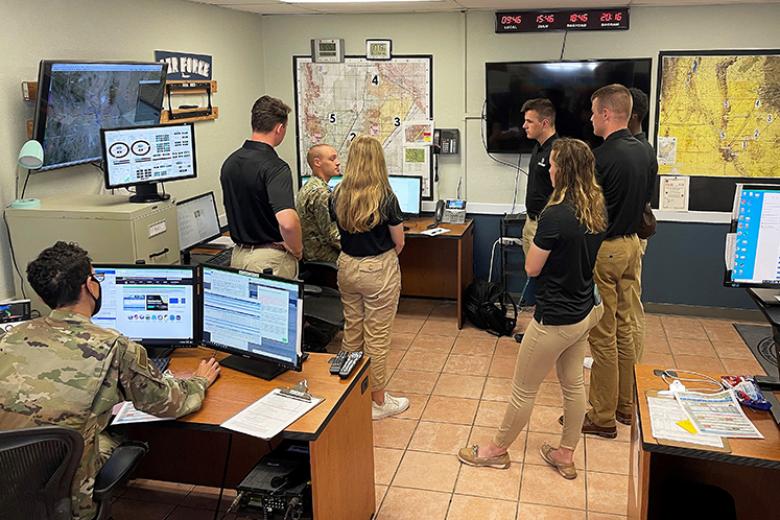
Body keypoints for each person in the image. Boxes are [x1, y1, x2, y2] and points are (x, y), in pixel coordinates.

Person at [0, 241, 220, 520]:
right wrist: (199, 381)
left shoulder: (10, 337)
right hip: (68, 499)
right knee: (114, 432)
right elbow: (169, 404)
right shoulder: (114, 346)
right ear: (88, 286)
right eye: (96, 278)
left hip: (10, 487)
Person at [457, 138, 606, 479]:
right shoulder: (596, 207)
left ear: (564, 171)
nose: (549, 169)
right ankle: (565, 455)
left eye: (553, 164)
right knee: (573, 386)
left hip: (553, 319)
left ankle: (495, 450)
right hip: (582, 313)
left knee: (524, 390)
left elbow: (532, 268)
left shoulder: (556, 215)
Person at [582, 84, 651, 437]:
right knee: (625, 327)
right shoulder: (645, 152)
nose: (591, 119)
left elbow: (590, 212)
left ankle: (602, 416)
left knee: (602, 335)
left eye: (594, 113)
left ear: (607, 114)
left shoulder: (600, 158)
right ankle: (626, 405)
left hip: (605, 250)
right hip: (632, 247)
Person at [331, 135, 408, 420]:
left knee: (352, 331)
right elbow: (398, 241)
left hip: (347, 266)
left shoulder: (337, 193)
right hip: (378, 268)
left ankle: (348, 396)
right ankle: (377, 402)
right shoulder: (386, 197)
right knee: (377, 335)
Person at [221, 95, 303, 279]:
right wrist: (297, 249)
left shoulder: (230, 162)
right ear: (280, 128)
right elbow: (288, 222)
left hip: (238, 257)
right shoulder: (276, 167)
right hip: (269, 261)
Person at [517, 98, 560, 322]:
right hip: (530, 222)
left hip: (546, 226)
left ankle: (546, 327)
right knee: (535, 278)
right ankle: (538, 324)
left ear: (545, 123)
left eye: (529, 121)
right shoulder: (537, 148)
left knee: (546, 279)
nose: (524, 126)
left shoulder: (558, 151)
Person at [627, 87, 659, 363]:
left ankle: (632, 363)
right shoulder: (638, 149)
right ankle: (618, 358)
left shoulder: (640, 151)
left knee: (631, 304)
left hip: (633, 237)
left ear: (633, 114)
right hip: (630, 235)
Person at [297, 144, 342, 263]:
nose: (338, 163)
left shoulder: (309, 185)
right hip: (323, 256)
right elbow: (332, 235)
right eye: (332, 159)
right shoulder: (321, 193)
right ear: (317, 163)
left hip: (310, 255)